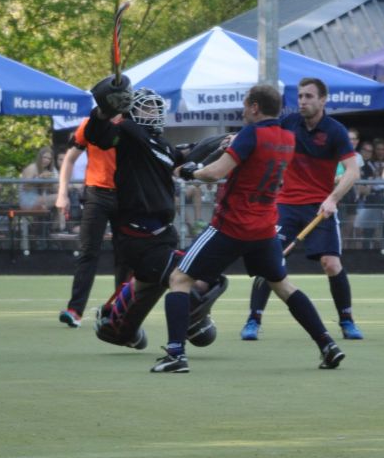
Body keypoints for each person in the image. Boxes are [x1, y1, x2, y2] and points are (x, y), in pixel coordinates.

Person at [164, 83, 346, 373]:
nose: (242, 110)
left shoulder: (251, 134)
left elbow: (215, 172)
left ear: (254, 107)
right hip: (264, 228)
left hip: (232, 224)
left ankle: (176, 354)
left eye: (245, 105)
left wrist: (189, 171)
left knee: (179, 279)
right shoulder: (287, 136)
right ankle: (327, 344)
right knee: (283, 286)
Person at [79, 77, 226, 363]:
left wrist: (220, 142)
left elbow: (183, 156)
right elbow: (99, 135)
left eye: (155, 108)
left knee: (155, 285)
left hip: (163, 235)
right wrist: (105, 108)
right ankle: (190, 321)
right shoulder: (128, 132)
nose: (153, 112)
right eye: (146, 108)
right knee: (206, 278)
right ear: (132, 110)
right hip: (140, 237)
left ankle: (115, 325)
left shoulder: (160, 144)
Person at [242, 77, 363, 341]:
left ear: (323, 100)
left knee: (331, 263)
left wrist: (332, 199)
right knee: (269, 261)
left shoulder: (335, 131)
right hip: (284, 206)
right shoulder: (289, 123)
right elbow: (263, 137)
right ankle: (253, 319)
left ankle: (346, 320)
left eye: (309, 96)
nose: (303, 101)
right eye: (300, 96)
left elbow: (353, 171)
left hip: (319, 207)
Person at [55, 119, 126, 328]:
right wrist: (62, 193)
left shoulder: (131, 125)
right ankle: (75, 310)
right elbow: (70, 158)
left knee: (125, 256)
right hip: (96, 194)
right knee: (87, 252)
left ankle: (121, 312)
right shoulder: (90, 124)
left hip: (126, 196)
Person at [19, 146, 58, 210]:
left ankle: (61, 217)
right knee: (59, 198)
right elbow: (26, 186)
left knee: (63, 197)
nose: (47, 160)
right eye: (44, 157)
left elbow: (55, 188)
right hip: (28, 200)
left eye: (49, 159)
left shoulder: (51, 170)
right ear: (40, 157)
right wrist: (40, 178)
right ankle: (62, 217)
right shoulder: (32, 168)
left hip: (42, 198)